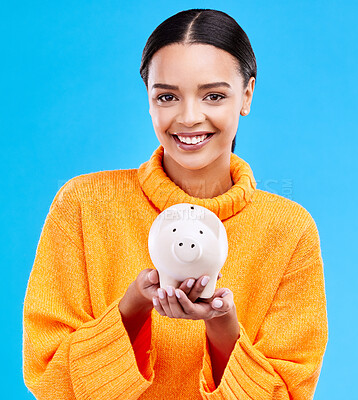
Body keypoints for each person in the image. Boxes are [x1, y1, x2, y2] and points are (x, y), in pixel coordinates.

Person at [23, 8, 328, 400]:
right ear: (148, 99)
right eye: (167, 96)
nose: (188, 117)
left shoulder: (289, 230)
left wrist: (223, 331)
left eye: (214, 95)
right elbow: (48, 380)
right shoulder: (84, 204)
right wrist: (132, 310)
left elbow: (290, 393)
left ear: (246, 95)